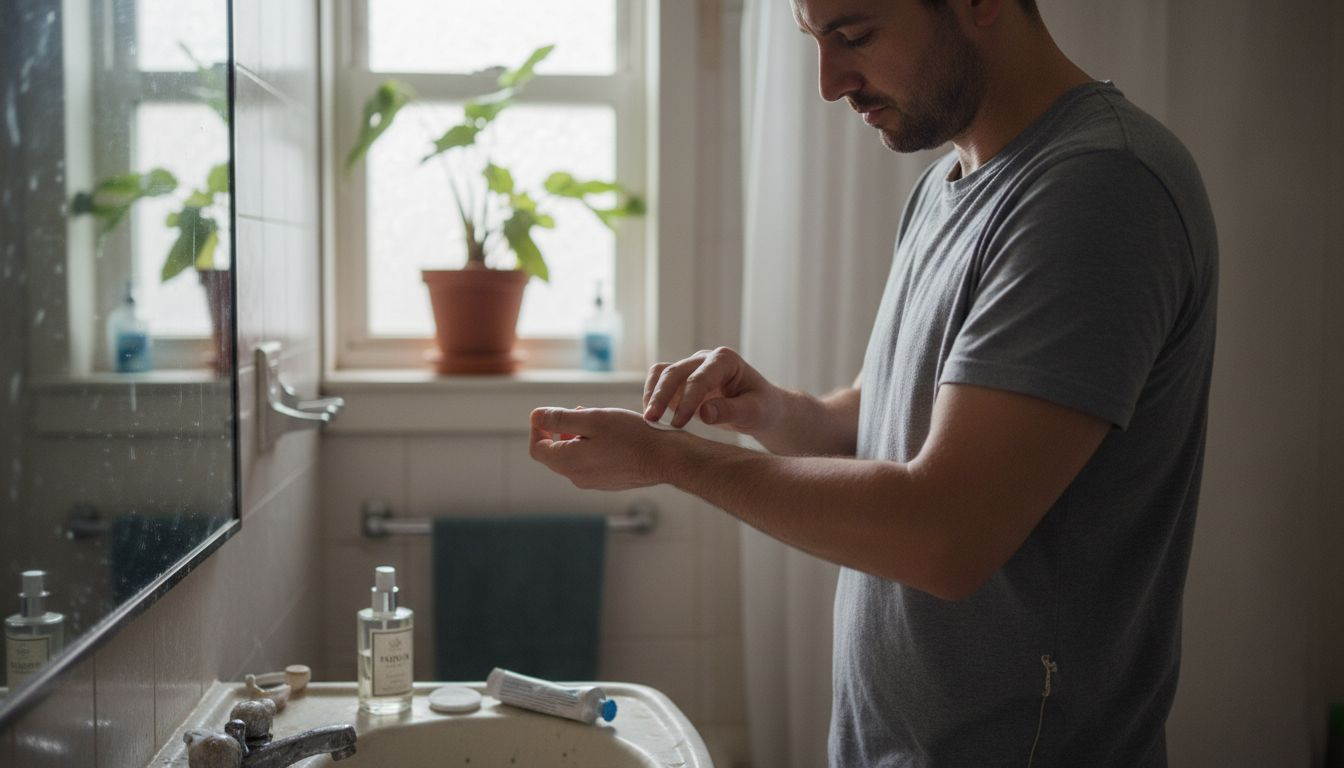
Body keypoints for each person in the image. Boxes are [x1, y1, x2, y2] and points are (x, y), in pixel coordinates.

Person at [530, 0, 1217, 764]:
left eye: (853, 36)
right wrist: (771, 411)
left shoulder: (1097, 189)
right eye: (815, 42)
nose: (829, 83)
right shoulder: (946, 188)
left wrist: (671, 460)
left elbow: (945, 534)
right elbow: (877, 418)